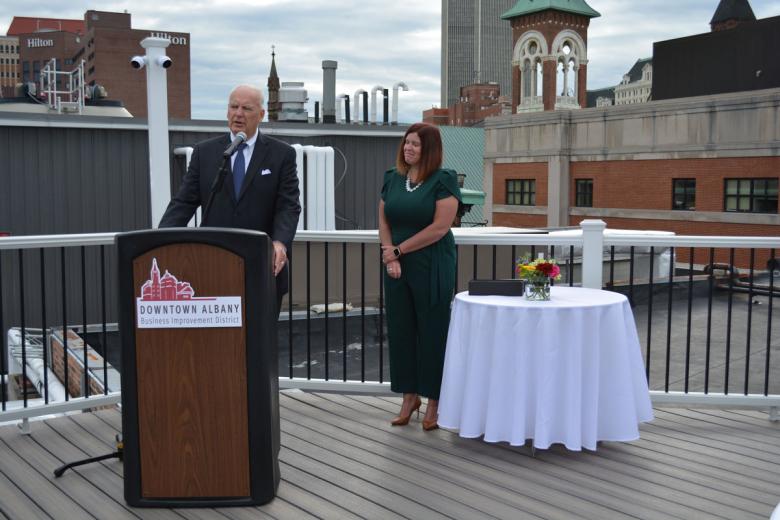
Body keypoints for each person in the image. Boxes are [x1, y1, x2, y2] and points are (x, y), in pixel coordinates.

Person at [159, 85, 301, 312]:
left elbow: (288, 205)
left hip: (261, 266)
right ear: (227, 112)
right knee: (217, 342)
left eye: (246, 108)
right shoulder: (205, 152)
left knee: (258, 343)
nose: (238, 114)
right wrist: (160, 241)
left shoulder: (281, 154)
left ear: (261, 115)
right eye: (234, 107)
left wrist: (280, 243)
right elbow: (184, 202)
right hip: (213, 265)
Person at [378, 122, 461, 431]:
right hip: (396, 264)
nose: (408, 148)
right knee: (401, 330)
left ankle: (434, 402)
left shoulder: (444, 180)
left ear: (430, 150)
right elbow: (383, 219)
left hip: (431, 262)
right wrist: (389, 252)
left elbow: (440, 227)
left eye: (415, 144)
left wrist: (398, 251)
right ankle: (409, 397)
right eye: (406, 142)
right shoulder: (393, 178)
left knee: (433, 331)